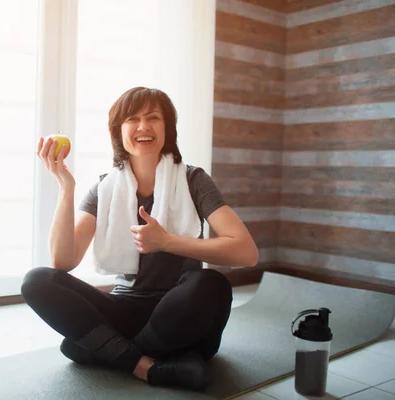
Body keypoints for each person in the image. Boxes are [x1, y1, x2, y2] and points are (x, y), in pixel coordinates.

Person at [21, 87, 258, 391]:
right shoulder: (105, 188)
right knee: (38, 280)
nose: (143, 126)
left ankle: (107, 349)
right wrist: (65, 187)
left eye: (153, 118)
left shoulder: (193, 180)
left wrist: (167, 241)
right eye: (132, 119)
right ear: (119, 132)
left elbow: (246, 252)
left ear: (167, 129)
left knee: (211, 284)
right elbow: (63, 261)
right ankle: (147, 366)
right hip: (127, 308)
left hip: (184, 311)